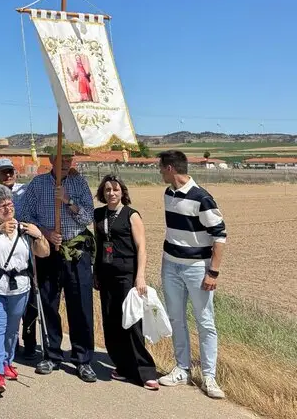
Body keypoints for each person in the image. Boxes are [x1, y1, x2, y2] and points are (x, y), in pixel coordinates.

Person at [21, 151, 97, 382]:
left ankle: (82, 359)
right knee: (49, 303)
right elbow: (25, 214)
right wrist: (46, 232)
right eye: (60, 159)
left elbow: (88, 217)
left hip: (76, 252)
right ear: (51, 161)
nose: (64, 163)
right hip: (48, 251)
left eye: (68, 160)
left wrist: (68, 201)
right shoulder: (38, 183)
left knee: (81, 306)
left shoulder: (79, 183)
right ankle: (52, 354)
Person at [157, 150, 228, 399]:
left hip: (198, 268)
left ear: (170, 169)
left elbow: (220, 236)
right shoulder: (168, 194)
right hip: (170, 266)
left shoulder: (202, 198)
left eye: (161, 167)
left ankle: (209, 377)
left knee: (205, 321)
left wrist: (213, 273)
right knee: (176, 318)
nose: (159, 171)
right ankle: (182, 369)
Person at [0, 185, 50, 396]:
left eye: (9, 204)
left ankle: (7, 361)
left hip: (20, 287)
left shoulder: (23, 227)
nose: (7, 209)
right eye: (1, 206)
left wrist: (39, 235)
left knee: (11, 329)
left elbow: (44, 253)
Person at [93, 175, 159, 390]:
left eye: (116, 190)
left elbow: (142, 248)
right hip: (106, 274)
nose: (111, 193)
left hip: (127, 275)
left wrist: (140, 276)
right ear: (103, 193)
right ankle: (121, 365)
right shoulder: (98, 214)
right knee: (111, 322)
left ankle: (145, 371)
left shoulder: (132, 215)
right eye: (108, 190)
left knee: (131, 322)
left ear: (123, 192)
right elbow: (99, 246)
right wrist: (96, 272)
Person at [0, 157, 37, 358]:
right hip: (0, 253)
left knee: (28, 299)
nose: (8, 175)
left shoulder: (26, 190)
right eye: (3, 172)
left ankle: (29, 342)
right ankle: (7, 343)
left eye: (10, 171)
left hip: (24, 250)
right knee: (3, 300)